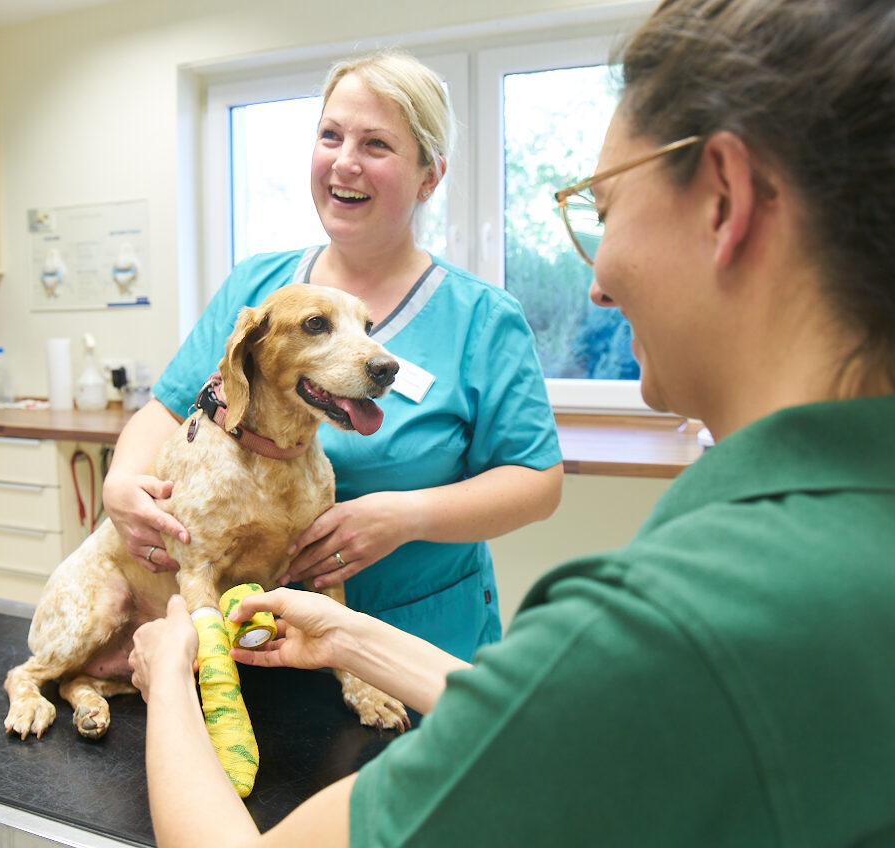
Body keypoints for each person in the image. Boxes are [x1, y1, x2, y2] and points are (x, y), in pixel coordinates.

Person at [129, 0, 895, 844]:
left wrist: (169, 676)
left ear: (724, 200)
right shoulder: (814, 551)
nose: (596, 283)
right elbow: (550, 720)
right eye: (330, 135)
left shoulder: (665, 621)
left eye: (600, 209)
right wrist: (352, 637)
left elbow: (557, 700)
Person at [103, 51, 564, 661]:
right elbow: (169, 410)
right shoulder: (258, 289)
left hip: (418, 642)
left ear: (430, 176)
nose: (345, 161)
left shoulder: (482, 318)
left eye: (376, 144)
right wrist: (121, 484)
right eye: (331, 135)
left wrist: (405, 517)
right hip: (258, 643)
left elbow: (537, 481)